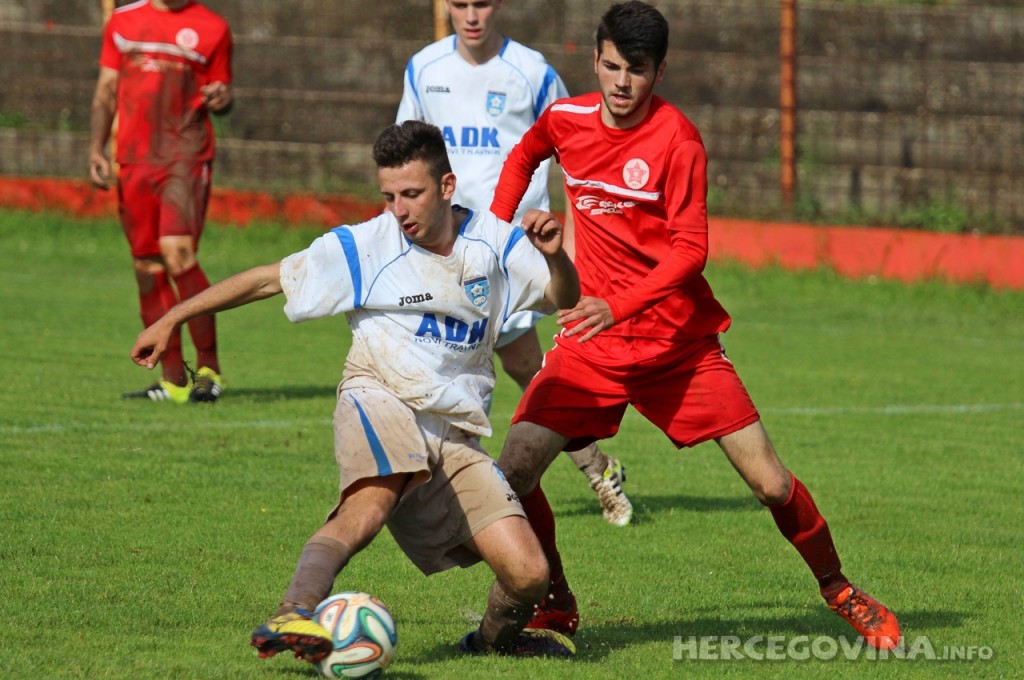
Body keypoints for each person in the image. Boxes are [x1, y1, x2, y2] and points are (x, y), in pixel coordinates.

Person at [489, 1, 903, 651]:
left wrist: (617, 304)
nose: (622, 83)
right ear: (594, 59)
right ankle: (558, 601)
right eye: (612, 66)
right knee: (514, 471)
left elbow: (690, 251)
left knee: (769, 481)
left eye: (638, 70)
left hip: (677, 345)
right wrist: (495, 231)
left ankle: (838, 588)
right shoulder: (565, 120)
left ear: (659, 71)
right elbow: (522, 155)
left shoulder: (677, 139)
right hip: (592, 346)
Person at [129, 120, 581, 661]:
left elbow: (560, 296)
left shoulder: (495, 242)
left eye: (411, 194)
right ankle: (294, 611)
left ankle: (486, 646)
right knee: (370, 504)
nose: (399, 210)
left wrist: (555, 255)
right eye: (388, 196)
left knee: (529, 575)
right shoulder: (367, 245)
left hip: (454, 431)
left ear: (446, 186)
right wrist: (173, 317)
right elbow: (269, 279)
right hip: (379, 396)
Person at [397, 0, 634, 528]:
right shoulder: (424, 68)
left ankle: (459, 495)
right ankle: (594, 469)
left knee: (512, 364)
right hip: (445, 244)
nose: (471, 14)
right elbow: (406, 154)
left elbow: (579, 153)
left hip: (511, 247)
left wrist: (572, 239)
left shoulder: (532, 71)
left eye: (481, 3)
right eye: (459, 4)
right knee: (478, 362)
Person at [90, 0, 232, 404]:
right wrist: (96, 148)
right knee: (147, 266)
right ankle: (172, 380)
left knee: (178, 253)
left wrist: (223, 97)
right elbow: (105, 91)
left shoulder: (213, 28)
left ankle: (208, 370)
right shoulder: (122, 21)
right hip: (134, 159)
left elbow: (223, 93)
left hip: (185, 157)